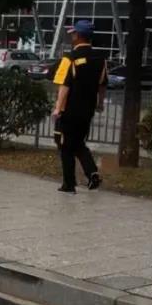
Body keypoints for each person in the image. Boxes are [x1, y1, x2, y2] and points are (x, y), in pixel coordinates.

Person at [52, 20, 108, 194]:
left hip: (69, 110)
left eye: (73, 34)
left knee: (64, 146)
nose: (71, 36)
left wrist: (58, 108)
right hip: (87, 110)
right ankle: (92, 174)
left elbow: (64, 86)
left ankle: (69, 184)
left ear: (77, 36)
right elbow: (102, 85)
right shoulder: (101, 59)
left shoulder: (70, 58)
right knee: (77, 143)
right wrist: (99, 104)